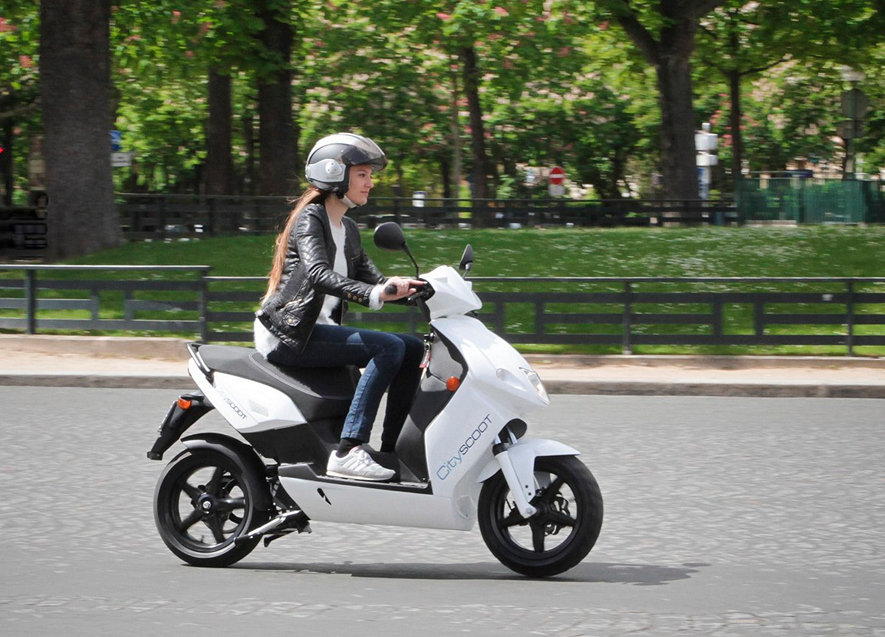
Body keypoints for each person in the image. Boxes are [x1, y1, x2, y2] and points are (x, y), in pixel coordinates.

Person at [254, 133, 424, 482]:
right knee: (388, 347)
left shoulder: (347, 227)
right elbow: (318, 274)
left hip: (316, 330)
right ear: (333, 173)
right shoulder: (311, 218)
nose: (370, 183)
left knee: (412, 347)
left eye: (369, 175)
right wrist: (377, 293)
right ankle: (348, 451)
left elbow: (374, 281)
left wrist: (416, 289)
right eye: (362, 174)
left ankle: (392, 451)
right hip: (288, 334)